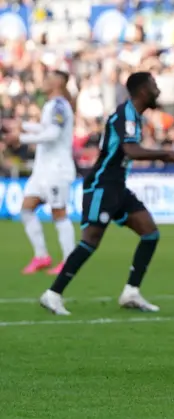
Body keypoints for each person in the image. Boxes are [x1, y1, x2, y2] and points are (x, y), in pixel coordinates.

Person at [39, 72, 174, 316]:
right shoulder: (125, 114)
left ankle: (131, 292)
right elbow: (130, 150)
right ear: (142, 91)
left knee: (149, 233)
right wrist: (169, 154)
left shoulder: (135, 117)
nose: (158, 91)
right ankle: (53, 294)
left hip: (117, 186)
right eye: (154, 86)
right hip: (102, 184)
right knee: (90, 241)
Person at [5, 70, 76, 275]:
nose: (43, 82)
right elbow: (46, 127)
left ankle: (69, 259)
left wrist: (22, 138)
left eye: (47, 79)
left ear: (56, 83)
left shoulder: (59, 105)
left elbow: (53, 134)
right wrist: (23, 126)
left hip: (57, 170)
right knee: (26, 209)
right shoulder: (51, 105)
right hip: (43, 170)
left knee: (58, 213)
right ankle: (41, 256)